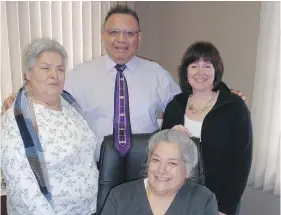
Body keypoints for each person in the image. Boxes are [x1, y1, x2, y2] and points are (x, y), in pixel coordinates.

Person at [1, 5, 247, 162]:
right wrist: (22, 97)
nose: (122, 39)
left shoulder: (156, 74)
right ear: (103, 35)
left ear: (139, 37)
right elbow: (48, 93)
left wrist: (223, 97)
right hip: (98, 168)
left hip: (147, 169)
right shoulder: (80, 75)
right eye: (114, 32)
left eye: (129, 33)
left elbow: (190, 103)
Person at [1, 38, 99, 215]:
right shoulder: (15, 121)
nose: (54, 75)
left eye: (60, 69)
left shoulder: (69, 104)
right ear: (28, 73)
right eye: (45, 68)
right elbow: (22, 185)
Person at [161, 41, 253, 215]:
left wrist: (227, 207)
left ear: (216, 70)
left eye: (207, 65)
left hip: (218, 200)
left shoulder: (233, 106)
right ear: (186, 72)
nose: (200, 71)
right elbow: (161, 152)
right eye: (194, 66)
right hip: (179, 197)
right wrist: (168, 135)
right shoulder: (175, 105)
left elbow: (242, 160)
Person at [89, 129, 223, 215]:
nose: (161, 169)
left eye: (172, 163)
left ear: (187, 170)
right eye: (156, 160)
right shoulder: (119, 196)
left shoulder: (203, 200)